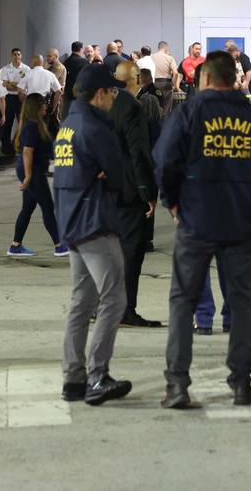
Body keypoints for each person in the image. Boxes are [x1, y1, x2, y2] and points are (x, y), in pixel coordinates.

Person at [154, 51, 251, 410]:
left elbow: (165, 159)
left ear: (206, 80)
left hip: (196, 221)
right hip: (241, 223)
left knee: (183, 300)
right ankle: (241, 383)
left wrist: (173, 202)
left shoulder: (188, 113)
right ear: (236, 79)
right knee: (242, 302)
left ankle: (178, 384)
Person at [52, 63, 132, 407]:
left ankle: (73, 378)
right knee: (114, 299)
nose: (114, 97)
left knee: (81, 302)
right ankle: (98, 374)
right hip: (95, 222)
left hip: (71, 224)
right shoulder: (96, 129)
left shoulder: (67, 126)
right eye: (112, 92)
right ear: (99, 94)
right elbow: (119, 176)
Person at [110, 60, 160, 327]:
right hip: (129, 189)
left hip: (107, 189)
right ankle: (125, 309)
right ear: (136, 78)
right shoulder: (132, 107)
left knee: (110, 252)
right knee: (131, 252)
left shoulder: (105, 104)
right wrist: (147, 191)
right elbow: (139, 152)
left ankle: (105, 306)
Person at [6, 94, 67, 258]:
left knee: (28, 207)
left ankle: (15, 245)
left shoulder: (35, 125)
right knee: (47, 206)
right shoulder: (32, 126)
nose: (46, 107)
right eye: (43, 104)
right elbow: (27, 151)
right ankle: (59, 245)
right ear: (36, 107)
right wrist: (28, 176)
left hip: (34, 170)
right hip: (33, 171)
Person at [0, 49, 28, 154]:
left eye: (18, 54)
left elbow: (25, 85)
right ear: (12, 56)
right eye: (14, 54)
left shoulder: (26, 69)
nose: (16, 56)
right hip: (9, 98)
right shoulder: (5, 69)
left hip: (21, 98)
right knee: (7, 124)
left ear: (21, 55)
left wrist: (12, 83)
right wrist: (18, 85)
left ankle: (20, 146)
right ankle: (6, 148)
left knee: (22, 123)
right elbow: (5, 85)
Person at [151, 41, 180, 117]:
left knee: (154, 107)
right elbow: (176, 73)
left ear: (159, 47)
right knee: (166, 108)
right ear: (166, 48)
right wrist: (174, 85)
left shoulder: (151, 57)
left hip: (153, 84)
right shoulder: (169, 58)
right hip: (166, 84)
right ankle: (164, 125)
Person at [61, 41, 89, 119]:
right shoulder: (84, 62)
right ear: (80, 49)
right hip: (79, 94)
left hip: (67, 94)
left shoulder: (66, 62)